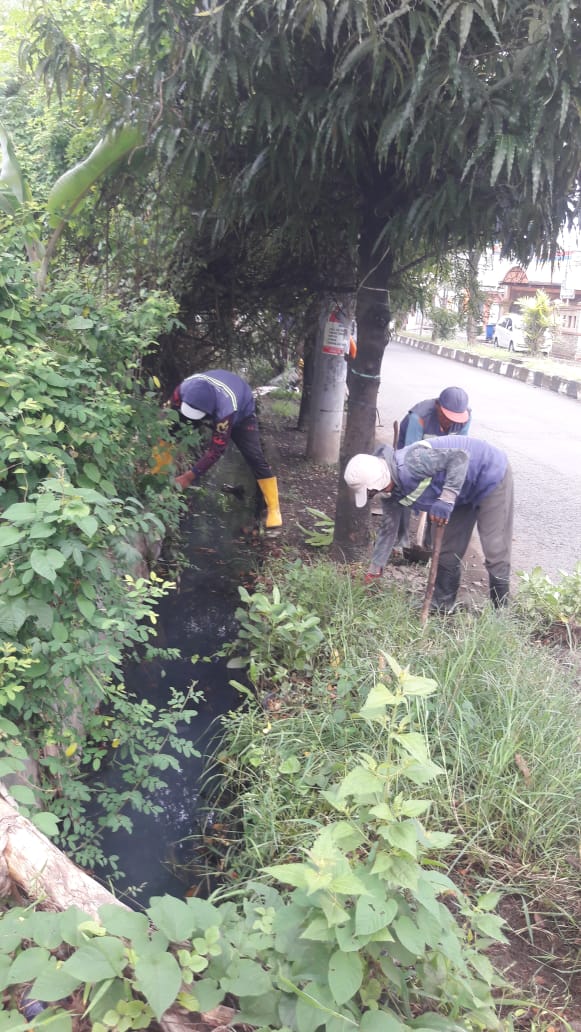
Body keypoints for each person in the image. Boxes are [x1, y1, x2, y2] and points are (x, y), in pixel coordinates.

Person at [344, 436, 513, 610]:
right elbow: (387, 531)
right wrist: (374, 569)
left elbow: (459, 458)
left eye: (371, 493)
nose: (373, 496)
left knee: (495, 550)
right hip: (460, 490)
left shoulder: (411, 463)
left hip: (489, 474)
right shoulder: (391, 494)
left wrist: (447, 498)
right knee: (447, 550)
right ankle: (442, 604)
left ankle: (499, 613)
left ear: (379, 482)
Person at [169, 370, 282, 529]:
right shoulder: (182, 390)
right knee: (172, 431)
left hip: (242, 414)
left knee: (254, 457)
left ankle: (273, 509)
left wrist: (188, 477)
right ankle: (158, 471)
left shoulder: (225, 410)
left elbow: (216, 450)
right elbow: (169, 418)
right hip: (213, 403)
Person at [393, 386, 472, 550]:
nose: (451, 422)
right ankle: (402, 540)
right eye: (447, 416)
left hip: (443, 457)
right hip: (412, 453)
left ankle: (429, 543)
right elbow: (411, 457)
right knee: (404, 489)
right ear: (438, 406)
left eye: (456, 419)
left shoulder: (464, 418)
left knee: (440, 492)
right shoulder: (419, 417)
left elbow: (459, 450)